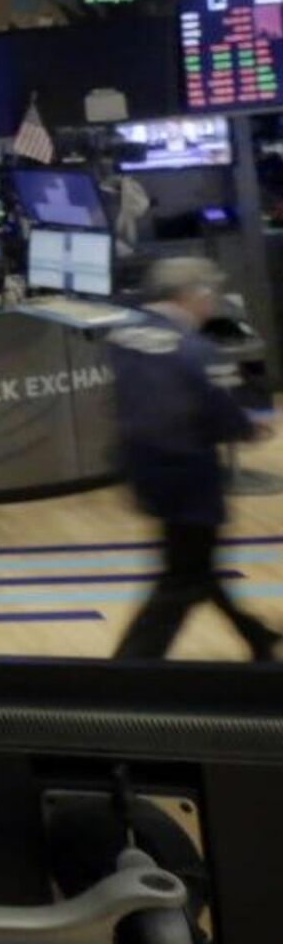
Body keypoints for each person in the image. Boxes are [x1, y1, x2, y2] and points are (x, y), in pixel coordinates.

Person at [110, 257, 278, 660]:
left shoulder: (124, 334)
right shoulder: (196, 349)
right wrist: (248, 428)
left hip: (144, 464)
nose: (213, 303)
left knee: (195, 560)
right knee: (183, 578)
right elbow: (213, 409)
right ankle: (129, 666)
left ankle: (255, 635)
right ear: (194, 294)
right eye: (211, 294)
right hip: (188, 473)